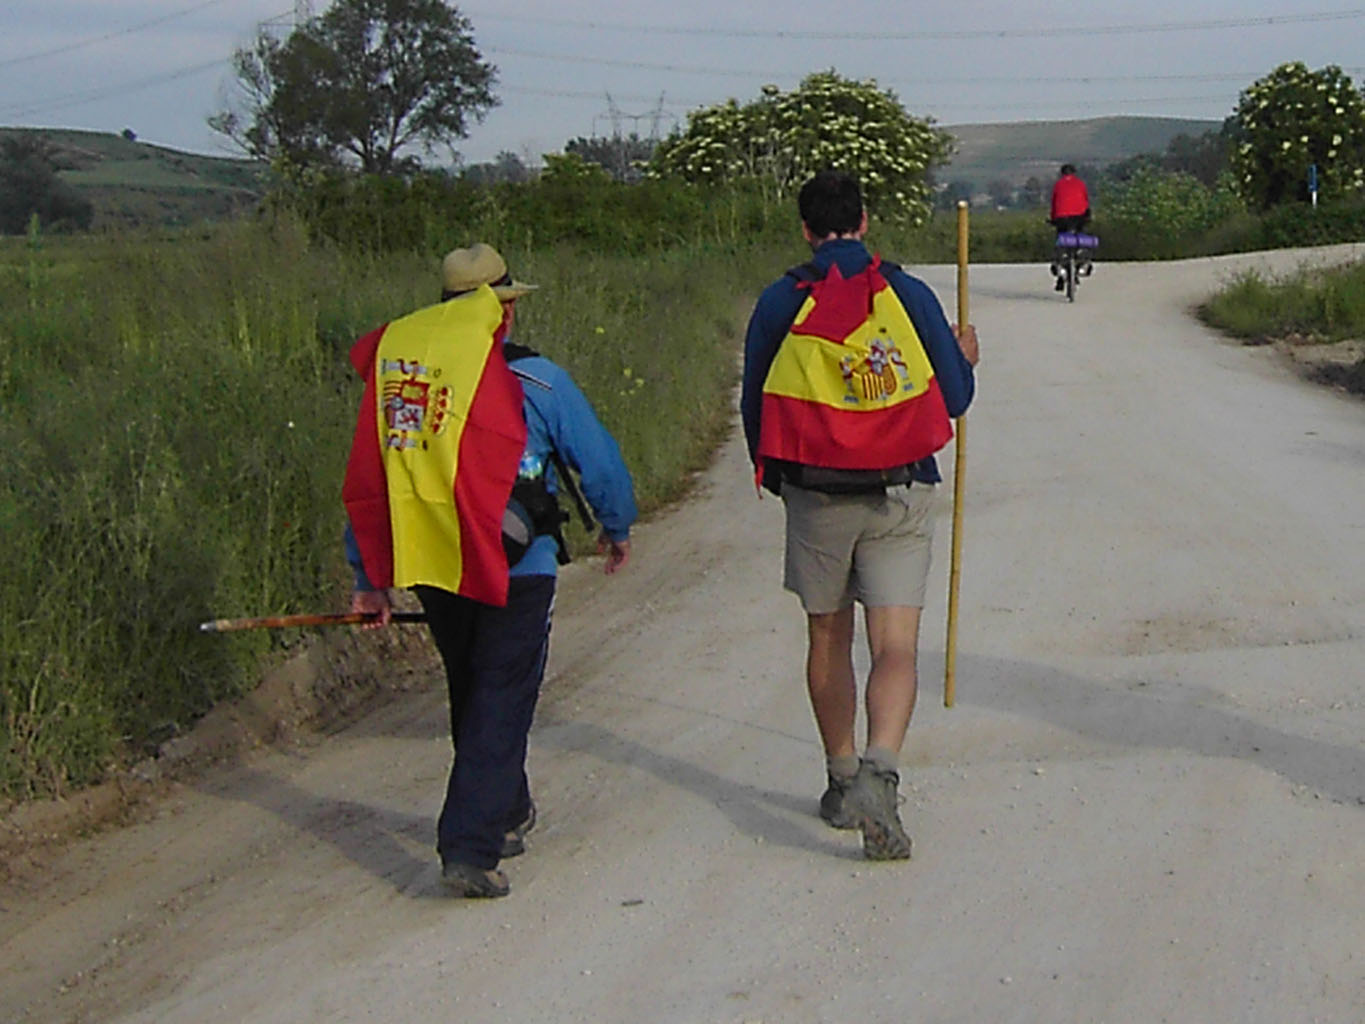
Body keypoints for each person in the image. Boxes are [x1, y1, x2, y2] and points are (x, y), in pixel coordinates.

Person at [342, 243, 637, 898]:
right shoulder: (537, 380)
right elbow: (598, 461)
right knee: (501, 692)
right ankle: (471, 845)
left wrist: (369, 576)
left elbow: (375, 477)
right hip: (517, 562)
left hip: (435, 561)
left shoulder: (406, 380)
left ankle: (505, 809)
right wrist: (615, 527)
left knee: (473, 684)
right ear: (502, 310)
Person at [742, 170, 979, 860]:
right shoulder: (906, 293)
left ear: (805, 229)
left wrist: (778, 479)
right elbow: (954, 398)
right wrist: (964, 358)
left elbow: (756, 407)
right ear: (865, 221)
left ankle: (842, 778)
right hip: (899, 489)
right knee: (895, 645)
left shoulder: (780, 300)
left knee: (827, 637)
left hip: (816, 495)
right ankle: (882, 768)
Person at [1049, 163, 1093, 291]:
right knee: (1080, 239)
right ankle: (1082, 260)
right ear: (1074, 173)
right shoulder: (1080, 184)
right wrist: (1087, 216)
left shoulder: (1058, 185)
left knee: (1060, 242)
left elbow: (1054, 203)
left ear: (1062, 174)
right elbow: (1085, 201)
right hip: (1079, 218)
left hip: (1062, 218)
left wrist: (1053, 218)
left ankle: (1060, 270)